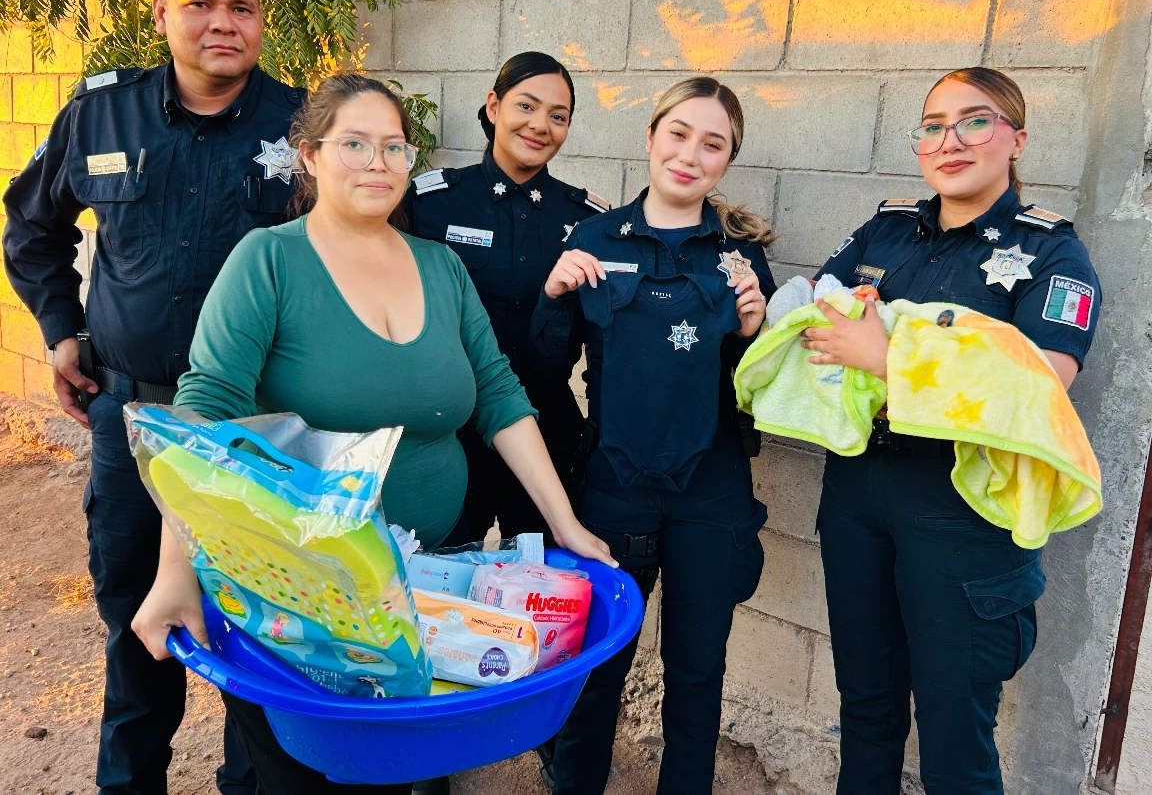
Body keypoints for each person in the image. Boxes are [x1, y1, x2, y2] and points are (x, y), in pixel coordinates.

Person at [129, 73, 616, 794]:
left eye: (393, 146)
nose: (378, 162)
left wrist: (565, 523)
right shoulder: (269, 261)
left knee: (399, 770)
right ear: (310, 156)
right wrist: (175, 570)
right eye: (353, 143)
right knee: (303, 772)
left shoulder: (440, 265)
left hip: (421, 585)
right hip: (296, 595)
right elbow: (204, 417)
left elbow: (500, 396)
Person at [2, 0, 305, 795]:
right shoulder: (100, 115)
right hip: (131, 419)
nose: (223, 23)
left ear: (260, 21)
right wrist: (62, 331)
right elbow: (32, 230)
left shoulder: (303, 126)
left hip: (258, 427)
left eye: (241, 8)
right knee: (138, 620)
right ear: (161, 10)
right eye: (201, 4)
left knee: (262, 628)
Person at [800, 67, 1102, 794]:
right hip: (860, 492)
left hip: (965, 510)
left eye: (975, 120)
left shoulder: (1052, 254)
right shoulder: (887, 230)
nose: (950, 140)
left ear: (1016, 137)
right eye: (933, 124)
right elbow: (816, 319)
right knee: (866, 710)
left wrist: (890, 358)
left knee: (954, 738)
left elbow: (1041, 386)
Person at [530, 77, 776, 795]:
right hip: (614, 489)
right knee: (596, 670)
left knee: (698, 676)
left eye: (712, 144)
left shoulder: (738, 257)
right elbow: (546, 370)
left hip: (712, 493)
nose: (690, 155)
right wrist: (552, 295)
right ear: (650, 137)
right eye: (678, 134)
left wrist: (757, 336)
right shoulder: (593, 240)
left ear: (726, 162)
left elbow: (762, 394)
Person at [404, 51, 608, 544]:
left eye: (558, 116)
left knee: (542, 595)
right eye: (526, 106)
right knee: (440, 591)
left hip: (545, 435)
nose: (540, 126)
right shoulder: (429, 204)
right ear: (494, 106)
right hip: (449, 435)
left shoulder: (588, 221)